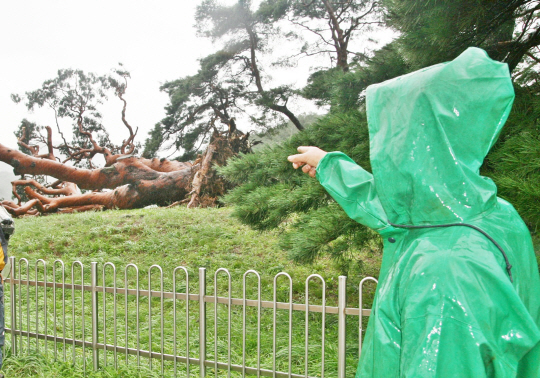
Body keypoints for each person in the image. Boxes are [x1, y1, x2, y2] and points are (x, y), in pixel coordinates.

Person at [288, 48, 540, 377]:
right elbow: (401, 212)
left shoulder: (444, 271)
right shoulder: (486, 213)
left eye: (393, 132)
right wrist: (329, 165)